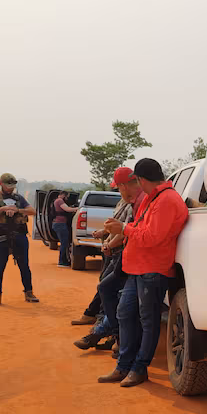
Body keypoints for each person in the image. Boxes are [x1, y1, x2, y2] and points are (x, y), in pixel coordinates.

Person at [98, 158, 187, 387]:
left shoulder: (166, 200)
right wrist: (124, 230)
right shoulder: (153, 197)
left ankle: (139, 368)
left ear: (141, 179)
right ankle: (124, 366)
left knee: (148, 321)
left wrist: (124, 229)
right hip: (138, 267)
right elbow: (142, 228)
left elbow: (152, 237)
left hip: (153, 268)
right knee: (125, 313)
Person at [74, 167, 146, 352]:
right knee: (110, 291)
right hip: (129, 255)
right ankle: (111, 334)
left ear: (123, 185)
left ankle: (111, 334)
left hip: (133, 257)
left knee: (112, 293)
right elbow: (120, 227)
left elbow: (125, 231)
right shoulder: (130, 202)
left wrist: (109, 244)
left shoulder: (139, 202)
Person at [0, 173, 39, 306]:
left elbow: (32, 211)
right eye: (8, 185)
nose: (11, 188)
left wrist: (17, 210)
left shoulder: (19, 198)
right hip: (1, 237)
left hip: (19, 236)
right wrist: (3, 209)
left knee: (24, 266)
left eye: (13, 185)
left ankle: (29, 293)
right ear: (1, 184)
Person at [52, 191, 78, 268]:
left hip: (59, 224)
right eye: (67, 196)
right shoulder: (59, 200)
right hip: (60, 224)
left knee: (64, 243)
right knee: (64, 243)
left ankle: (64, 260)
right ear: (63, 195)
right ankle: (62, 261)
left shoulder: (56, 201)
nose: (67, 198)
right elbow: (67, 209)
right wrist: (77, 208)